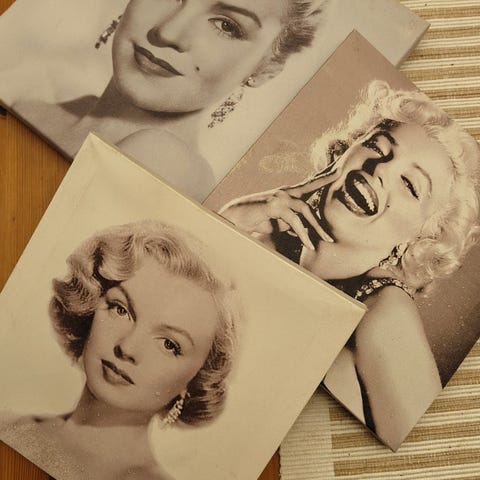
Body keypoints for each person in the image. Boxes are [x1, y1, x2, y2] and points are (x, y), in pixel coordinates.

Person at [219, 80, 480, 449]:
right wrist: (230, 219)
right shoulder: (261, 237)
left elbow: (427, 452)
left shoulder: (385, 316)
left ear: (421, 238)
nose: (380, 170)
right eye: (377, 147)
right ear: (344, 152)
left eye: (410, 185)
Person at [13, 0, 326, 200]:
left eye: (226, 26)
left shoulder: (162, 161)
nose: (168, 32)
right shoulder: (36, 109)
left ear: (266, 69)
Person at [0, 220, 239, 479]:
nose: (127, 347)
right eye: (121, 309)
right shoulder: (8, 427)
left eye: (169, 344)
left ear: (196, 380)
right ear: (90, 306)